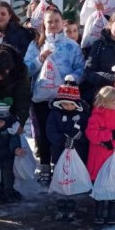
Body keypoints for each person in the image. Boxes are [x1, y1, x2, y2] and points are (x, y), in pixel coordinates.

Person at [25, 7, 85, 186]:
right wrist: (40, 60)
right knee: (43, 133)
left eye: (56, 21)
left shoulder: (71, 45)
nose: (53, 24)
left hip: (64, 98)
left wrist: (72, 78)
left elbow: (81, 68)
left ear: (62, 22)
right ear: (44, 24)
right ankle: (44, 167)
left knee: (63, 132)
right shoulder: (36, 45)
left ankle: (61, 166)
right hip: (41, 98)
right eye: (49, 21)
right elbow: (25, 69)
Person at [86, 86, 115, 225]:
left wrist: (114, 142)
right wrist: (110, 135)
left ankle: (112, 214)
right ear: (104, 102)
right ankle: (98, 214)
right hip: (100, 159)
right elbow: (92, 135)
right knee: (100, 186)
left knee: (114, 186)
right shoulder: (96, 117)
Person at [47, 76, 90, 221]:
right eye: (65, 104)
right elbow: (50, 131)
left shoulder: (82, 115)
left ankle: (72, 202)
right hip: (59, 152)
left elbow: (86, 131)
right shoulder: (54, 114)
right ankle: (60, 202)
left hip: (77, 152)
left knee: (73, 177)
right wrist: (62, 140)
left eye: (71, 104)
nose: (68, 107)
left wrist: (79, 137)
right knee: (60, 176)